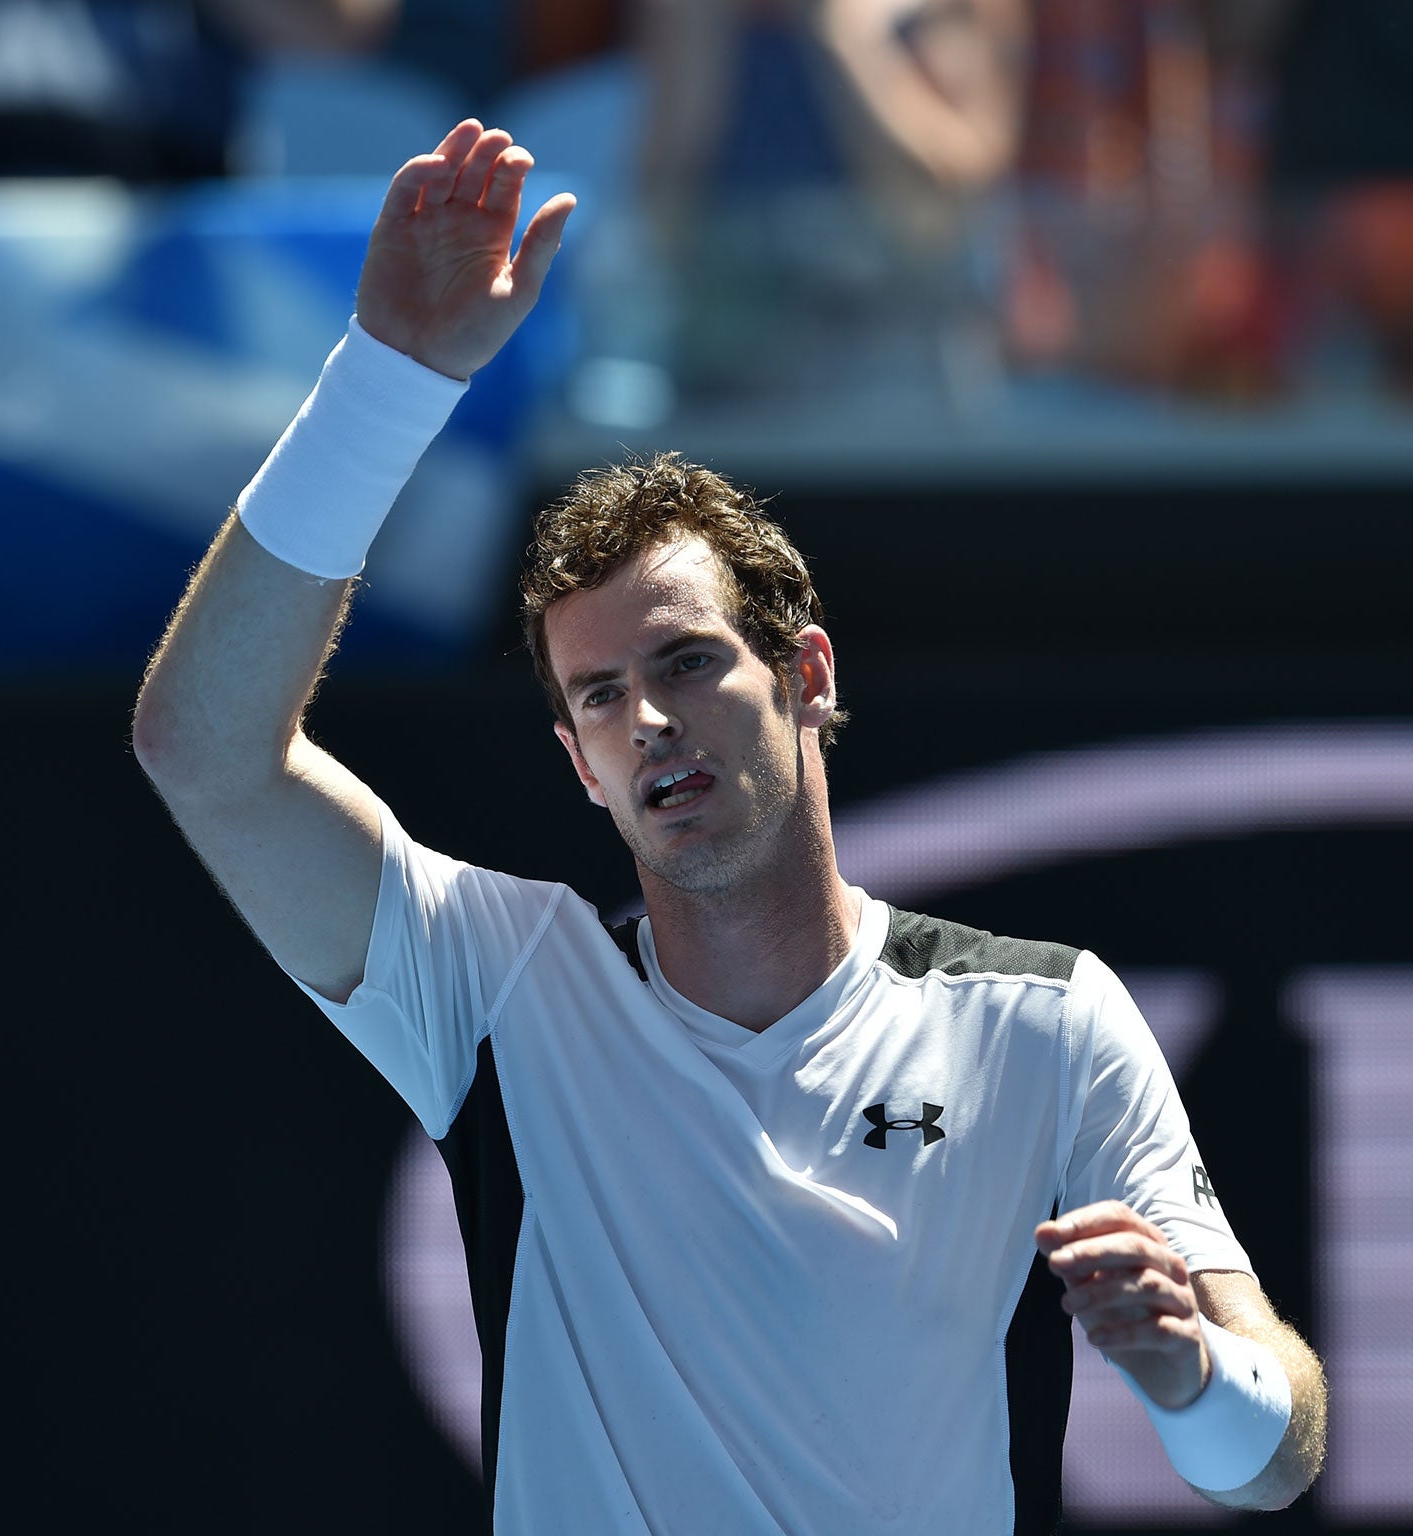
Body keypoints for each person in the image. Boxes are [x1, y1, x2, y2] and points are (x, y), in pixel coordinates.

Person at [132, 118, 1328, 1532]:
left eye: (689, 663)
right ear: (577, 763)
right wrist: (389, 379)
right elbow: (203, 751)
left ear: (807, 677)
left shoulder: (1045, 1021)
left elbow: (1273, 1458)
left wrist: (1193, 1373)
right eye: (600, 697)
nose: (647, 721)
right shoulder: (501, 983)